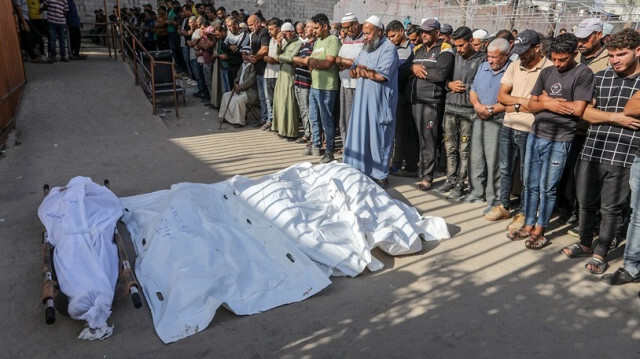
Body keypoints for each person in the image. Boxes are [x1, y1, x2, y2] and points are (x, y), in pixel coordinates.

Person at [559, 29, 640, 275]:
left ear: (638, 51)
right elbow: (585, 112)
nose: (615, 59)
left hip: (624, 153)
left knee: (611, 208)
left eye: (621, 54)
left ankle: (601, 252)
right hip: (592, 149)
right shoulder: (600, 77)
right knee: (585, 200)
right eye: (612, 54)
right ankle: (585, 243)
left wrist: (602, 117)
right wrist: (617, 118)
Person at [516, 33, 595, 249]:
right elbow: (531, 105)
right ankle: (529, 222)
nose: (558, 64)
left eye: (563, 60)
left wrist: (543, 99)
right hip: (536, 133)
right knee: (530, 183)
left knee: (548, 187)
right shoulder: (547, 71)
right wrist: (549, 104)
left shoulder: (583, 73)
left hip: (560, 138)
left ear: (574, 54)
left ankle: (541, 228)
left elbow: (577, 109)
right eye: (555, 59)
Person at [485, 30, 552, 229]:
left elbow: (540, 103)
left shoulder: (548, 69)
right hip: (509, 124)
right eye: (519, 51)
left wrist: (516, 104)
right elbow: (502, 96)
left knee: (527, 173)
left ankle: (524, 212)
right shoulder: (515, 65)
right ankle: (503, 205)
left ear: (537, 48)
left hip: (530, 128)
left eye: (525, 51)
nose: (521, 55)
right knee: (505, 169)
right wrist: (523, 103)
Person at [559, 18, 610, 235]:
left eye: (586, 38)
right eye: (579, 38)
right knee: (570, 173)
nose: (581, 42)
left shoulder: (609, 59)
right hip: (570, 125)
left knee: (589, 178)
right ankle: (569, 210)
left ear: (599, 35)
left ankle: (587, 219)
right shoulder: (575, 58)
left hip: (594, 128)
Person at [343, 16, 399, 188]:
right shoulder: (366, 48)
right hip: (361, 101)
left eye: (368, 33)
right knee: (359, 134)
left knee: (379, 138)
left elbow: (382, 76)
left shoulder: (389, 49)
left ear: (379, 32)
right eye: (364, 34)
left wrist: (363, 70)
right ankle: (358, 169)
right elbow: (352, 70)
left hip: (379, 102)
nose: (365, 37)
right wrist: (360, 70)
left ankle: (380, 175)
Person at [404, 18, 455, 191]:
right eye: (422, 31)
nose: (423, 34)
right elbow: (405, 68)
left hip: (430, 101)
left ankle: (427, 176)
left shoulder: (445, 49)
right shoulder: (417, 49)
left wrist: (418, 71)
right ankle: (414, 169)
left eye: (427, 31)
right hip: (413, 99)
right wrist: (412, 68)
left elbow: (440, 74)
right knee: (415, 138)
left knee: (428, 140)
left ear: (437, 33)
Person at [438, 26, 486, 199]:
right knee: (450, 146)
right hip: (450, 108)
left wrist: (468, 89)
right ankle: (450, 179)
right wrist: (449, 85)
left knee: (464, 149)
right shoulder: (454, 57)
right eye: (455, 46)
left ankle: (460, 182)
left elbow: (483, 84)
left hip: (468, 111)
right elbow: (443, 78)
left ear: (471, 41)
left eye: (461, 45)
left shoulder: (483, 60)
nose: (458, 49)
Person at [464, 38, 511, 208]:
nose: (490, 60)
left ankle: (494, 198)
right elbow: (473, 90)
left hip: (496, 121)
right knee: (476, 157)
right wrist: (477, 106)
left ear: (505, 56)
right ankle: (476, 192)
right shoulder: (483, 67)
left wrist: (490, 110)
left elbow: (510, 100)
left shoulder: (511, 70)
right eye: (488, 56)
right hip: (479, 117)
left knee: (494, 161)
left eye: (494, 57)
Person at [301, 13, 341, 163]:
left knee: (326, 120)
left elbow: (328, 63)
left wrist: (311, 61)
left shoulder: (333, 40)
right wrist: (313, 62)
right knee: (314, 118)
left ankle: (329, 150)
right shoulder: (318, 42)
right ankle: (316, 145)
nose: (315, 31)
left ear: (325, 26)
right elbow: (315, 63)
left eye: (317, 28)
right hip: (315, 85)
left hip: (327, 88)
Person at [387, 19, 419, 177]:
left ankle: (399, 163)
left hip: (405, 95)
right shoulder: (389, 49)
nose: (391, 39)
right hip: (392, 94)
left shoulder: (412, 50)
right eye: (389, 37)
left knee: (402, 131)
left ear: (401, 31)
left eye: (393, 36)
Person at [336, 13, 364, 148]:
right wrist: (344, 61)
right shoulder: (347, 38)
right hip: (345, 84)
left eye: (347, 28)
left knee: (357, 121)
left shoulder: (366, 38)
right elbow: (338, 59)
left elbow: (361, 62)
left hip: (358, 86)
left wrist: (345, 62)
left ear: (356, 24)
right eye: (344, 28)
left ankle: (357, 149)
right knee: (344, 120)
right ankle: (347, 147)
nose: (345, 31)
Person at [271, 23, 302, 140]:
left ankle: (291, 131)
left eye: (285, 33)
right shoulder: (285, 43)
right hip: (282, 74)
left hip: (290, 74)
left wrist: (281, 57)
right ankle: (281, 129)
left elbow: (291, 58)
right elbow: (278, 55)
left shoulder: (298, 43)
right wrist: (279, 44)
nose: (283, 36)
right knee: (280, 101)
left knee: (289, 103)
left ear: (292, 32)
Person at [219, 46, 259, 127]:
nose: (244, 56)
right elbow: (238, 76)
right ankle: (226, 117)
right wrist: (236, 83)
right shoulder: (242, 65)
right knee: (226, 95)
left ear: (250, 55)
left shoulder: (253, 65)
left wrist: (240, 87)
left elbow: (251, 80)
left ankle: (239, 121)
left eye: (246, 54)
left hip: (250, 92)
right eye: (242, 54)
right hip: (239, 89)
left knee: (238, 100)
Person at [292, 20, 315, 144]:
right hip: (298, 80)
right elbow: (293, 58)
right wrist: (301, 60)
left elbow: (308, 61)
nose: (305, 29)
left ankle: (312, 135)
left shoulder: (314, 44)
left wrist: (299, 60)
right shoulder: (305, 44)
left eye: (308, 27)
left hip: (307, 81)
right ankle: (307, 133)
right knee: (302, 109)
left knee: (308, 109)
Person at [247, 15, 271, 127]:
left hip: (265, 69)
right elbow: (253, 49)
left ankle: (270, 120)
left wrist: (254, 58)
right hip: (258, 70)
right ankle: (264, 118)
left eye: (251, 25)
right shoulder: (253, 35)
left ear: (257, 22)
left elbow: (264, 50)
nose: (250, 27)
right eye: (249, 25)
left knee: (267, 97)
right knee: (262, 97)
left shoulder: (264, 32)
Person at [261, 17, 282, 131]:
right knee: (269, 99)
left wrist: (274, 60)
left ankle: (278, 123)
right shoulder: (270, 40)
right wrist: (265, 58)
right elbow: (267, 55)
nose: (269, 31)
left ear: (278, 29)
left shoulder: (283, 40)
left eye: (271, 29)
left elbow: (284, 57)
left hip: (278, 74)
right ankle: (271, 120)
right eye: (268, 29)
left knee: (277, 100)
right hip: (268, 73)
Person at [223, 16, 250, 90]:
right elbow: (223, 46)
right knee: (231, 86)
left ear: (236, 25)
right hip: (230, 64)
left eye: (230, 26)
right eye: (228, 26)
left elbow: (238, 50)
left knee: (237, 86)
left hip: (239, 65)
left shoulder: (244, 35)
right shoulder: (230, 34)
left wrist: (228, 49)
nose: (229, 28)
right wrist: (230, 47)